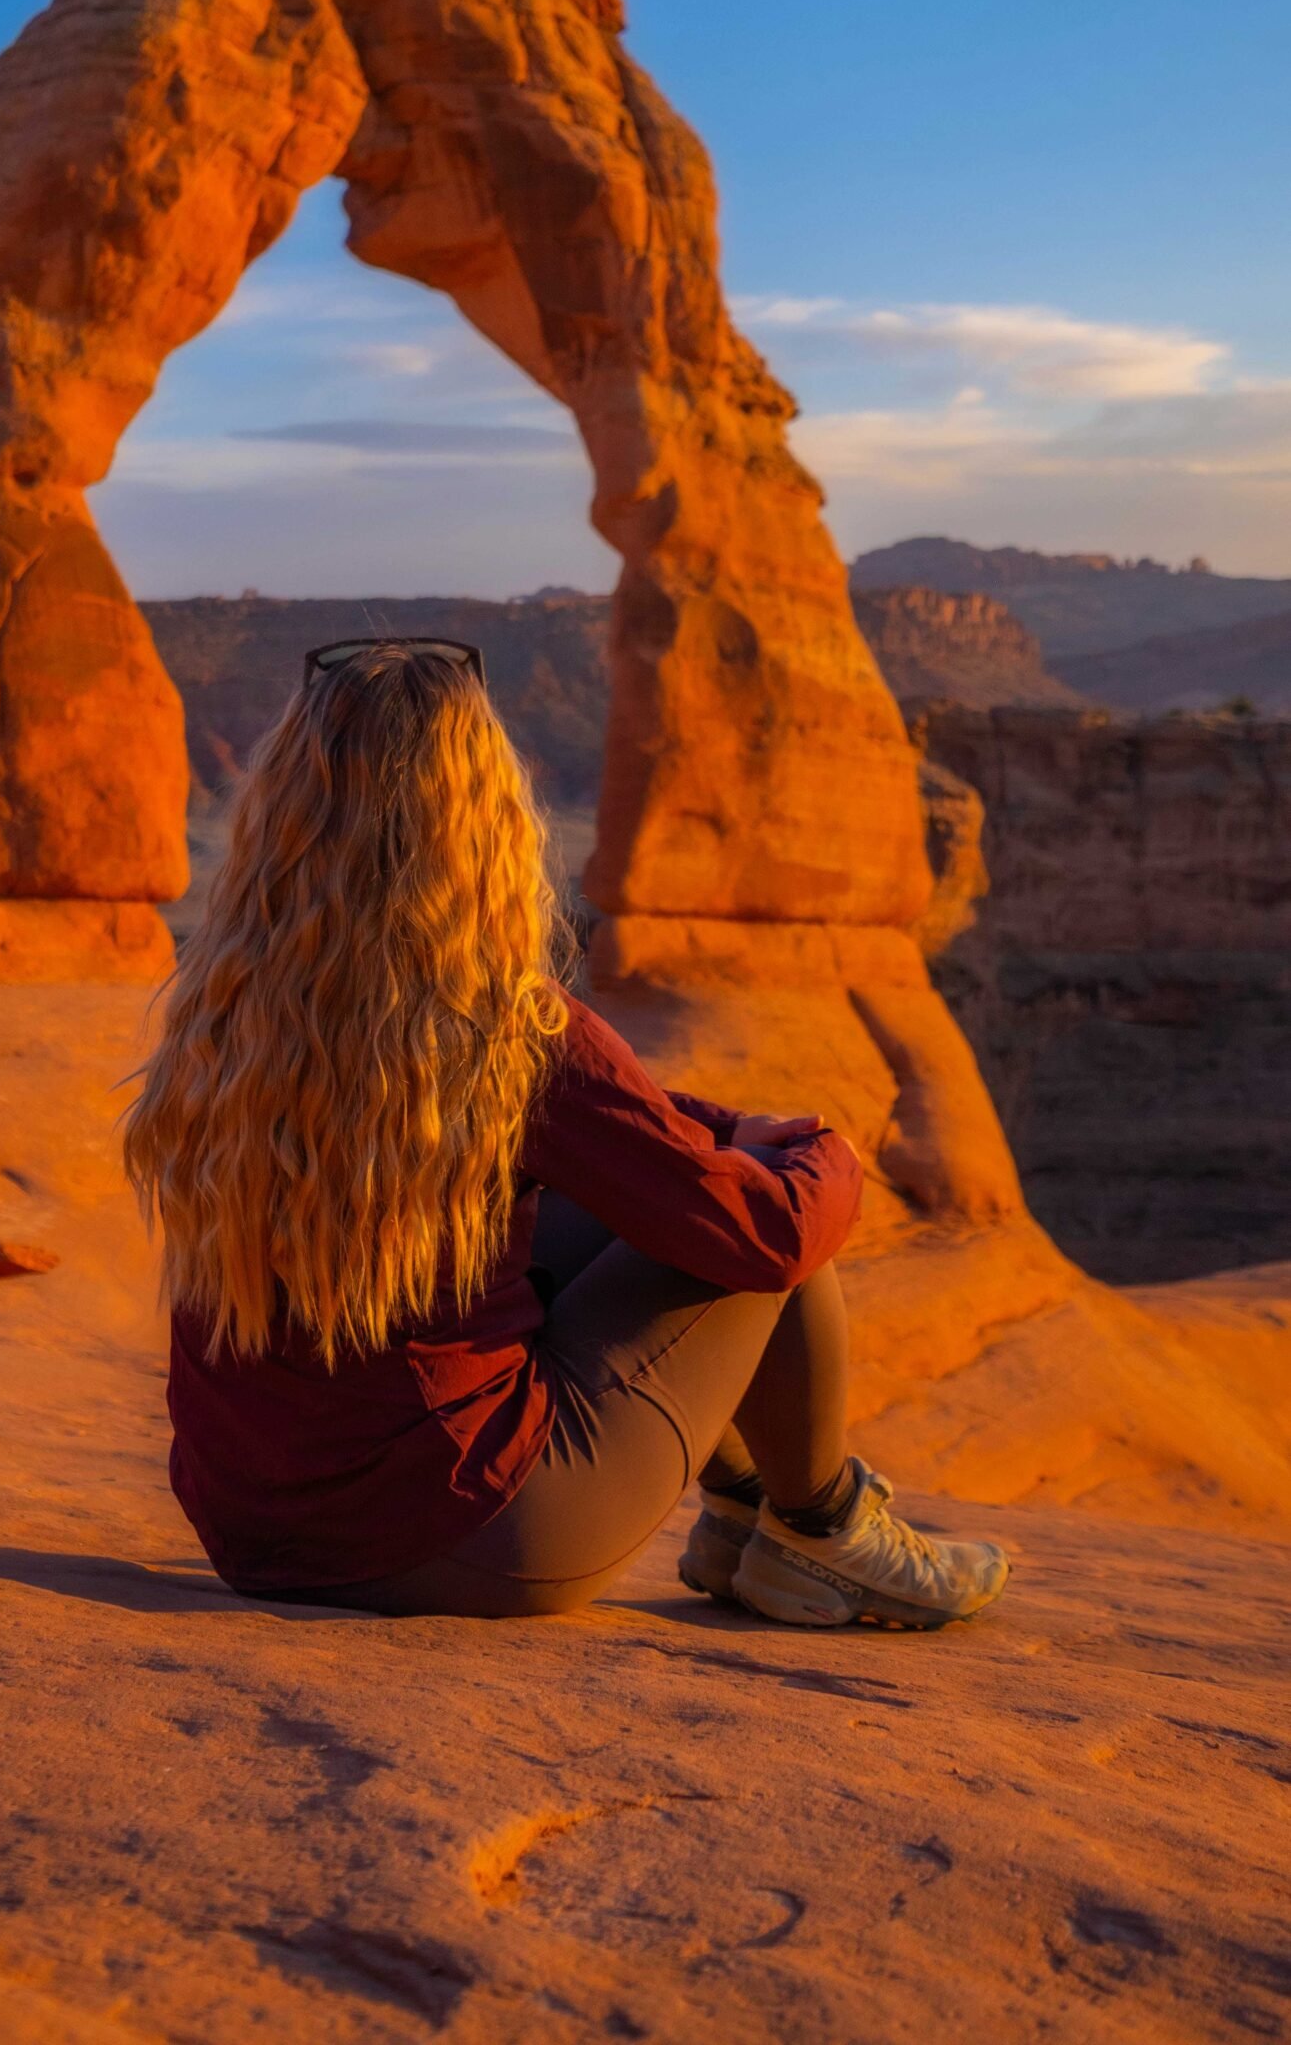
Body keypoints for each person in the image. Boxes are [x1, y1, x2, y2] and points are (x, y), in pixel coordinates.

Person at [124, 638, 1009, 1630]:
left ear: (283, 810)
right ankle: (824, 1531)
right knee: (762, 1226)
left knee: (643, 1198)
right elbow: (764, 1235)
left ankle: (743, 1522)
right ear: (483, 813)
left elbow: (619, 1137)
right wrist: (826, 1152)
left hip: (253, 1532)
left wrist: (713, 1132)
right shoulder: (498, 1027)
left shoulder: (226, 1003)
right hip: (469, 1540)